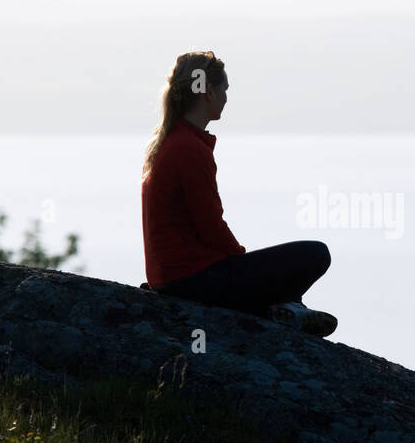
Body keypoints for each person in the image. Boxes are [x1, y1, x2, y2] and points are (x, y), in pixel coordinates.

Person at [139, 50, 337, 337]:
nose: (226, 97)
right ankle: (283, 307)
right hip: (191, 282)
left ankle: (285, 307)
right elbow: (211, 226)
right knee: (316, 254)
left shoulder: (172, 143)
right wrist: (242, 264)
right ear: (208, 92)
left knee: (290, 265)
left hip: (171, 279)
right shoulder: (189, 149)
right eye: (224, 89)